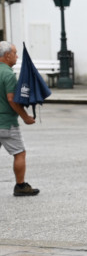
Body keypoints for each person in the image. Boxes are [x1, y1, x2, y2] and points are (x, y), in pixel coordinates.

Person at [0, 41, 40, 196]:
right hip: (6, 123)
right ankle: (21, 186)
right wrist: (25, 117)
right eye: (15, 53)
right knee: (19, 153)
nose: (17, 56)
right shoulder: (8, 74)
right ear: (7, 55)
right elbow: (11, 99)